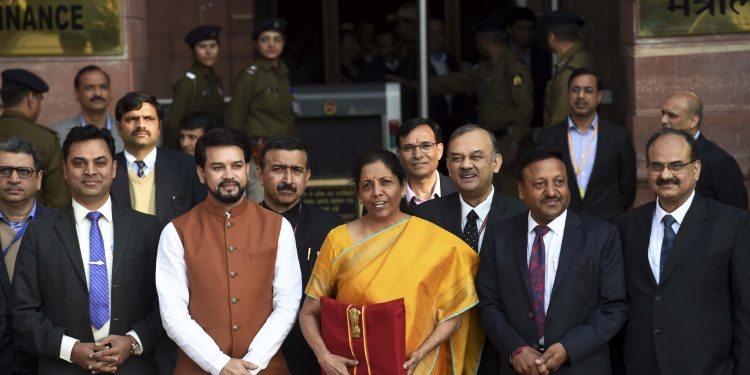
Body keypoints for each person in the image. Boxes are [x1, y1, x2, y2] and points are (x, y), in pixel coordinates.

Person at [299, 149, 481, 375]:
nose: (377, 192)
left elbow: (453, 317)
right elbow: (308, 313)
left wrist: (423, 351)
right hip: (357, 369)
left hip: (418, 367)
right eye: (367, 185)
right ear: (358, 193)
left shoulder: (436, 243)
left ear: (403, 185)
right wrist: (324, 357)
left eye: (386, 182)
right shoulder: (338, 240)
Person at [10, 125, 163, 374]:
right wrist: (70, 349)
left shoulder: (148, 229)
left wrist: (134, 342)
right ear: (65, 171)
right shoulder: (40, 233)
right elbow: (22, 312)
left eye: (100, 162)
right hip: (63, 368)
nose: (90, 171)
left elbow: (168, 305)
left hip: (134, 367)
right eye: (79, 163)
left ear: (113, 168)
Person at [156, 128, 301, 374]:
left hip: (266, 368)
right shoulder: (176, 232)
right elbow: (173, 314)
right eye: (218, 167)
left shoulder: (278, 227)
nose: (229, 175)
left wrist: (252, 364)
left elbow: (287, 303)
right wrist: (219, 364)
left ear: (247, 170)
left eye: (236, 166)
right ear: (201, 173)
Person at [477, 146, 628, 375]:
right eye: (539, 184)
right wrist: (515, 348)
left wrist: (570, 347)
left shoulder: (601, 235)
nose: (551, 191)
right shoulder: (499, 236)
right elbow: (489, 304)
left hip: (581, 366)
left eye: (559, 182)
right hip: (518, 368)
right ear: (521, 190)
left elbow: (613, 307)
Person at [614, 128, 750, 375]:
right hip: (642, 365)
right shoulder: (625, 226)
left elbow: (746, 310)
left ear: (696, 169)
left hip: (709, 367)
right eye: (657, 166)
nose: (666, 174)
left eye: (676, 165)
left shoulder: (733, 225)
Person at [415, 124, 526, 374]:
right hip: (444, 343)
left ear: (496, 163)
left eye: (476, 156)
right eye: (457, 158)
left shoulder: (522, 215)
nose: (466, 165)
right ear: (448, 166)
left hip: (503, 346)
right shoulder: (426, 217)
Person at [257, 135, 343, 374]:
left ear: (307, 176)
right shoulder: (242, 225)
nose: (287, 179)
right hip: (257, 352)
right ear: (259, 173)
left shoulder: (332, 228)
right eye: (278, 169)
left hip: (316, 352)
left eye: (296, 170)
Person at [421, 17, 533, 197]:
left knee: (510, 195)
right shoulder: (487, 67)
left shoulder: (513, 67)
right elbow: (457, 81)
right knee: (492, 196)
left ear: (484, 41)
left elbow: (525, 110)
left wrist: (514, 144)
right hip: (492, 141)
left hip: (509, 141)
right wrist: (416, 84)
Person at [537, 68, 636, 222]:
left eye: (588, 90)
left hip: (607, 225)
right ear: (568, 94)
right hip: (562, 223)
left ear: (599, 96)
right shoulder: (548, 137)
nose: (581, 96)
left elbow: (628, 188)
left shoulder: (619, 137)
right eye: (575, 90)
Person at [0, 138, 55, 374]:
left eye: (23, 171)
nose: (14, 179)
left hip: (46, 358)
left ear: (39, 178)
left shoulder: (61, 228)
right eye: (4, 170)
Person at [110, 91, 205, 227]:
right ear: (118, 127)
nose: (141, 125)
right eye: (132, 119)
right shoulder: (104, 169)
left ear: (159, 126)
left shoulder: (188, 167)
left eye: (148, 118)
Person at [660, 91, 747, 209]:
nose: (663, 120)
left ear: (693, 121)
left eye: (672, 115)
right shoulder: (662, 154)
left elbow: (736, 215)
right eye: (663, 113)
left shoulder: (720, 162)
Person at [0, 69, 70, 208]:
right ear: (31, 98)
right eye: (39, 100)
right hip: (34, 226)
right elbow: (58, 200)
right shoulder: (46, 139)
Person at [228, 18, 295, 161]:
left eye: (277, 39)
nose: (271, 44)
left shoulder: (284, 71)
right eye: (265, 40)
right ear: (256, 44)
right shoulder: (250, 75)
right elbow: (235, 117)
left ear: (284, 43)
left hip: (284, 147)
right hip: (258, 149)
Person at [166, 25, 225, 150]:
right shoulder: (189, 81)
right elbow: (173, 124)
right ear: (193, 50)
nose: (208, 52)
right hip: (193, 148)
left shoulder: (215, 79)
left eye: (213, 46)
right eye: (202, 47)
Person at [50, 65, 125, 152]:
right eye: (90, 88)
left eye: (103, 87)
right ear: (77, 93)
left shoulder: (125, 129)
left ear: (110, 92)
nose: (98, 93)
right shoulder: (57, 134)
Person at [543, 10, 596, 128]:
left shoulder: (570, 69)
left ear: (551, 38)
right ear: (580, 36)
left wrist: (550, 142)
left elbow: (561, 119)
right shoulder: (580, 59)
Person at [395, 118, 457, 214]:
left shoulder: (460, 192)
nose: (418, 155)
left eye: (426, 146)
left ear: (439, 150)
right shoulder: (388, 197)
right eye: (408, 148)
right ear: (399, 154)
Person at [505, 7, 552, 129]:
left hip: (537, 123)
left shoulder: (542, 56)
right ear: (509, 30)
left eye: (530, 29)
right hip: (508, 126)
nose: (526, 33)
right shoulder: (501, 57)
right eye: (521, 28)